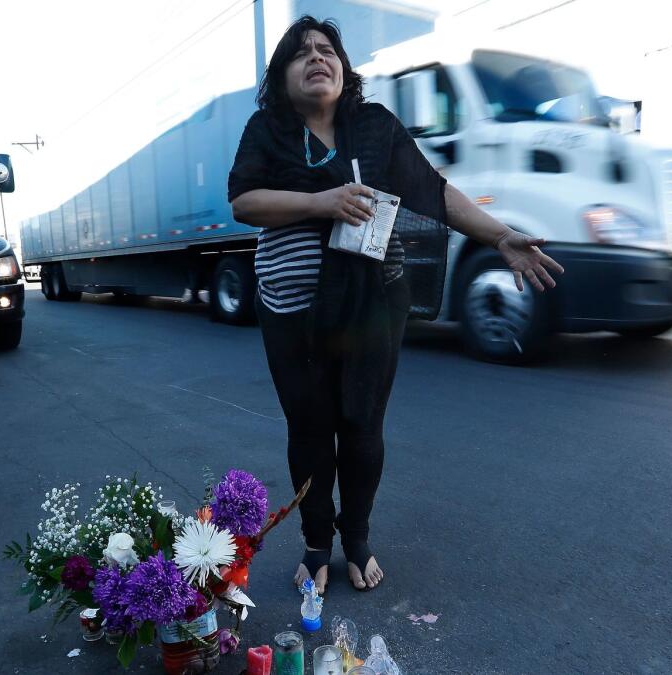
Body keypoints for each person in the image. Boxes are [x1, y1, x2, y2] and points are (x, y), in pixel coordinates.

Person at [228, 17, 563, 592]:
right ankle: (316, 545)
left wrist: (499, 235)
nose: (317, 58)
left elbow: (434, 191)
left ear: (344, 67)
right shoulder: (268, 129)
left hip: (370, 305)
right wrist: (323, 201)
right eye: (301, 52)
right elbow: (245, 201)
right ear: (281, 75)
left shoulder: (376, 127)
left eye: (327, 50)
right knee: (309, 429)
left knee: (361, 425)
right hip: (292, 312)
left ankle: (356, 539)